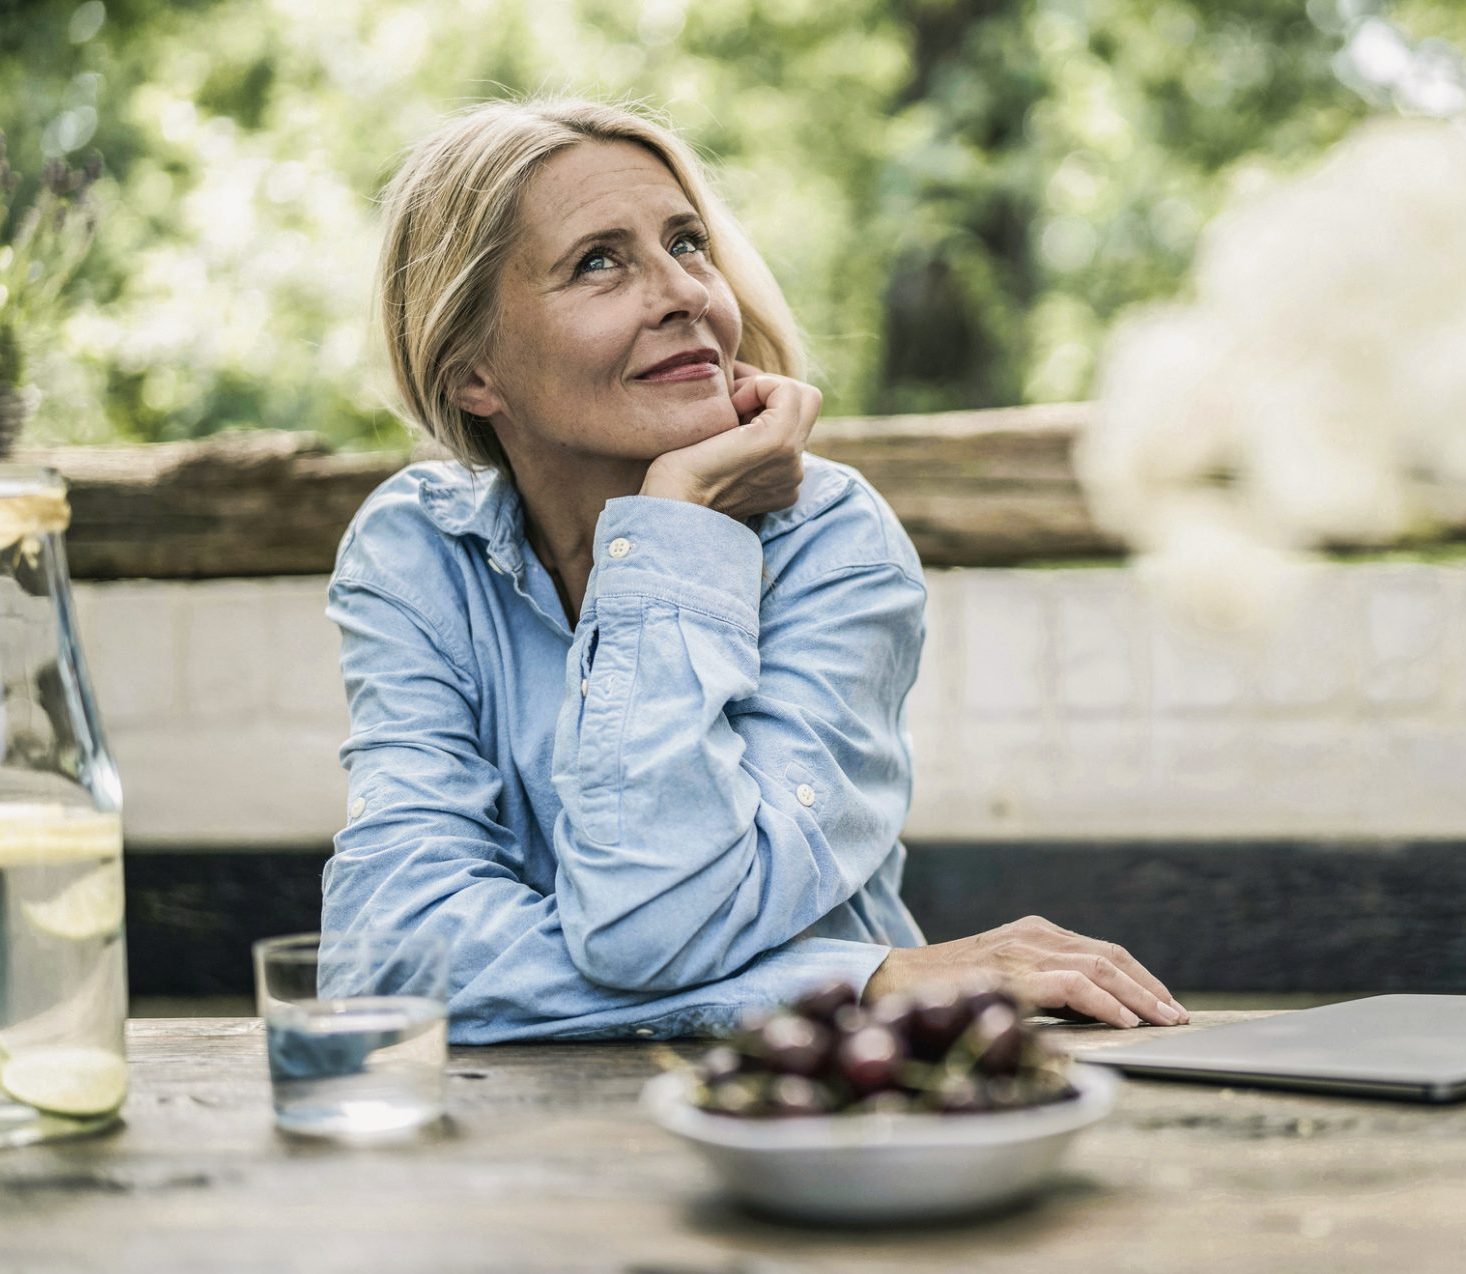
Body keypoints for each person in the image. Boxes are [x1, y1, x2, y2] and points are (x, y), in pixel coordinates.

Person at [322, 97, 1188, 1043]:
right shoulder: (417, 552)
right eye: (599, 262)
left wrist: (673, 528)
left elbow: (651, 924)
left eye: (687, 244)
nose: (687, 293)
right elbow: (387, 954)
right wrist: (868, 981)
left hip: (821, 1112)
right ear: (473, 372)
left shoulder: (832, 540)